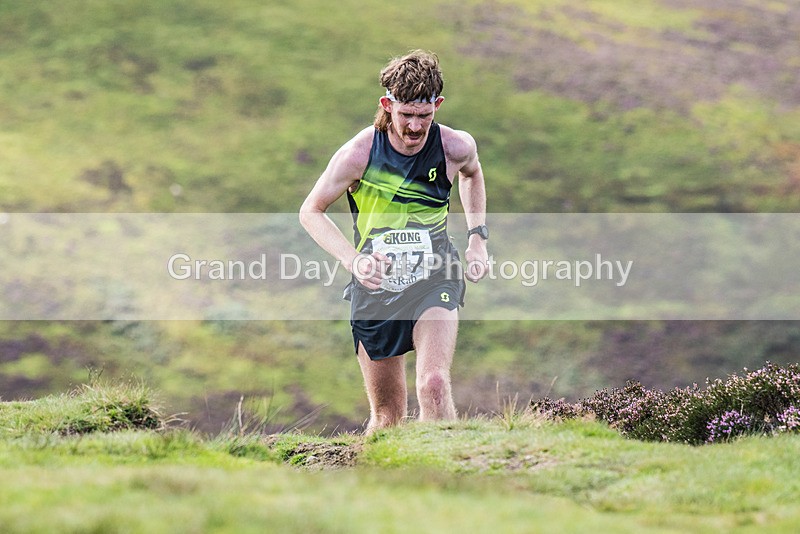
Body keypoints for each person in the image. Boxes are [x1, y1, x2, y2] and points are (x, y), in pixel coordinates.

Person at [299, 50, 488, 434]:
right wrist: (353, 260)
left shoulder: (454, 146)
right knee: (388, 418)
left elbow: (472, 174)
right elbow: (311, 211)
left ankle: (450, 466)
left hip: (436, 276)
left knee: (433, 384)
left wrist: (477, 238)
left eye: (424, 115)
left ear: (438, 106)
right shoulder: (359, 154)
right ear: (388, 105)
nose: (415, 127)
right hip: (376, 288)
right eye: (406, 115)